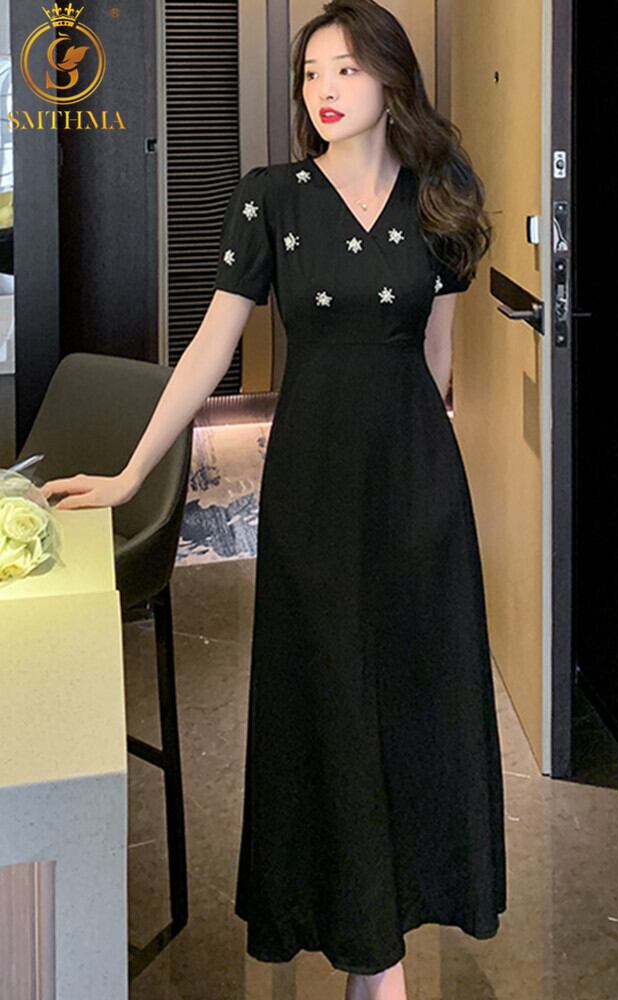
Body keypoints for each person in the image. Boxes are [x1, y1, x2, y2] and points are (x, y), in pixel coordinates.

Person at [39, 2, 507, 997]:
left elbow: (437, 366)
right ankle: (371, 957)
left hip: (418, 488)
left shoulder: (442, 196)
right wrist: (132, 471)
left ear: (392, 80)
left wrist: (440, 488)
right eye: (311, 73)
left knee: (416, 705)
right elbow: (210, 351)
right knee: (328, 700)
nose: (324, 90)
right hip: (313, 492)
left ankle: (387, 943)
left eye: (346, 69)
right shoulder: (272, 201)